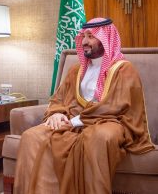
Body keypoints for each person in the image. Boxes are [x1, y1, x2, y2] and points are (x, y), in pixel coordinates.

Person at [13, 18, 154, 194]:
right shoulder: (76, 69)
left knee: (99, 137)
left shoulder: (124, 70)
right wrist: (56, 113)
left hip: (110, 121)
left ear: (105, 39)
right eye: (83, 36)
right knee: (31, 136)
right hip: (72, 120)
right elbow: (59, 98)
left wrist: (77, 121)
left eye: (91, 37)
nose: (84, 41)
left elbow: (116, 107)